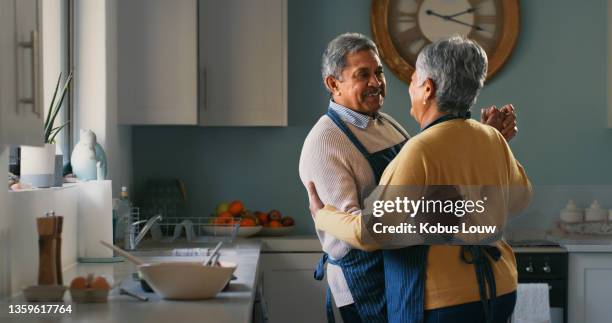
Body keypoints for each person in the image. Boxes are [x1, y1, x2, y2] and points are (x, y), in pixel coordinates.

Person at [307, 36, 532, 323]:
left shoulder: (418, 146)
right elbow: (519, 198)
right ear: (333, 84)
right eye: (363, 74)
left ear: (427, 88)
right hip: (499, 285)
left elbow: (372, 230)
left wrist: (322, 215)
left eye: (413, 79)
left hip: (446, 296)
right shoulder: (490, 137)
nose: (379, 83)